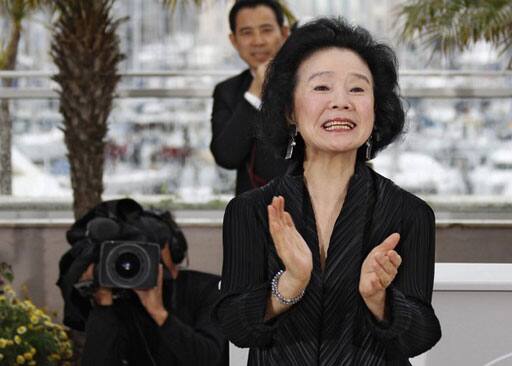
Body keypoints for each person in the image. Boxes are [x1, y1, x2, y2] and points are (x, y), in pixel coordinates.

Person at [213, 18, 442, 365]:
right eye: (322, 88)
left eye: (357, 89)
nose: (341, 102)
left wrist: (378, 299)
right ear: (290, 110)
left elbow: (421, 336)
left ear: (376, 109)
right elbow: (234, 327)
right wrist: (289, 284)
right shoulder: (250, 210)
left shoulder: (410, 213)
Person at [57, 199, 228, 366]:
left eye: (145, 251)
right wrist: (103, 304)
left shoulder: (210, 289)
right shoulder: (122, 301)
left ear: (171, 249)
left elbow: (209, 357)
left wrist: (159, 313)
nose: (132, 265)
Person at [210, 0, 290, 195]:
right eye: (247, 33)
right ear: (234, 41)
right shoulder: (226, 91)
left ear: (284, 34)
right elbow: (226, 157)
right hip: (252, 214)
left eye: (266, 30)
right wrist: (255, 94)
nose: (258, 41)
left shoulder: (309, 84)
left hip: (310, 211)